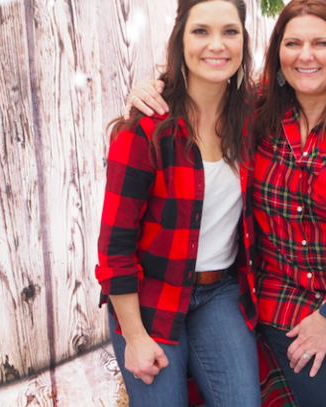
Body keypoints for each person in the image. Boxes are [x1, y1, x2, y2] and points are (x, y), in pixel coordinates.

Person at [125, 0, 326, 405]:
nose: (306, 55)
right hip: (291, 301)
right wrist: (153, 87)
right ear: (277, 52)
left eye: (321, 43)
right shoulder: (259, 113)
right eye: (293, 43)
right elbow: (203, 86)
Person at [95, 1, 261, 406]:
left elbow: (312, 77)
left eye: (230, 32)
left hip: (218, 291)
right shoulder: (145, 132)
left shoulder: (255, 118)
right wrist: (134, 337)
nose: (216, 45)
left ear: (244, 40)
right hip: (151, 296)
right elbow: (114, 250)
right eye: (201, 31)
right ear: (180, 40)